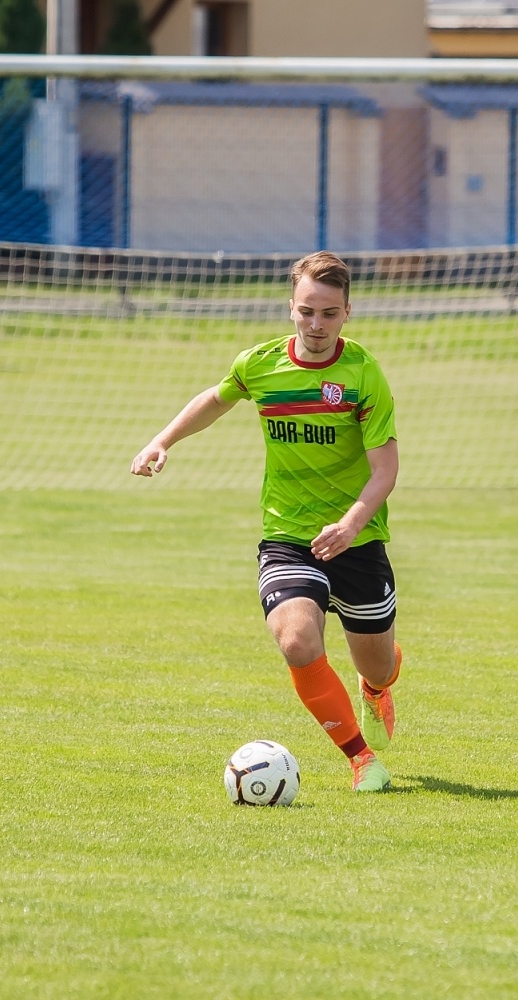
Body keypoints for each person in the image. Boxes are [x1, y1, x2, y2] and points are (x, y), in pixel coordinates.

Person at [131, 252, 403, 792]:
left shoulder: (364, 374)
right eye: (307, 312)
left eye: (329, 313)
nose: (316, 325)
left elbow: (385, 471)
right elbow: (214, 399)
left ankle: (376, 688)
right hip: (287, 536)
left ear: (347, 311)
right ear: (291, 309)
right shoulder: (261, 364)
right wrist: (162, 441)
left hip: (358, 538)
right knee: (298, 641)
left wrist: (349, 524)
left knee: (377, 665)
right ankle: (361, 759)